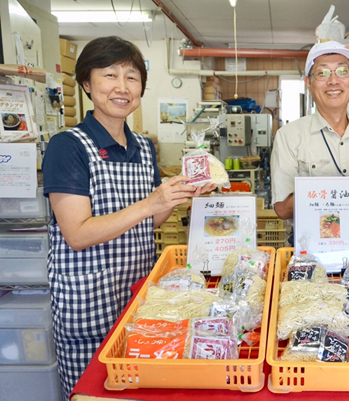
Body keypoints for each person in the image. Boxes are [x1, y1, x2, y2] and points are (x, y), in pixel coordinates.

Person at [42, 36, 215, 398]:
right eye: (109, 75)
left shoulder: (142, 148)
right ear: (87, 84)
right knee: (94, 393)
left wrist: (177, 196)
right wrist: (151, 202)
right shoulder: (68, 145)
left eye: (131, 77)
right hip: (88, 303)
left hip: (139, 297)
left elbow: (148, 222)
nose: (121, 87)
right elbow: (76, 234)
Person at [270, 41, 349, 233]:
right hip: (309, 246)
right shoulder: (289, 136)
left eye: (342, 71)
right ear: (308, 83)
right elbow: (281, 209)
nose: (333, 81)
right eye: (322, 73)